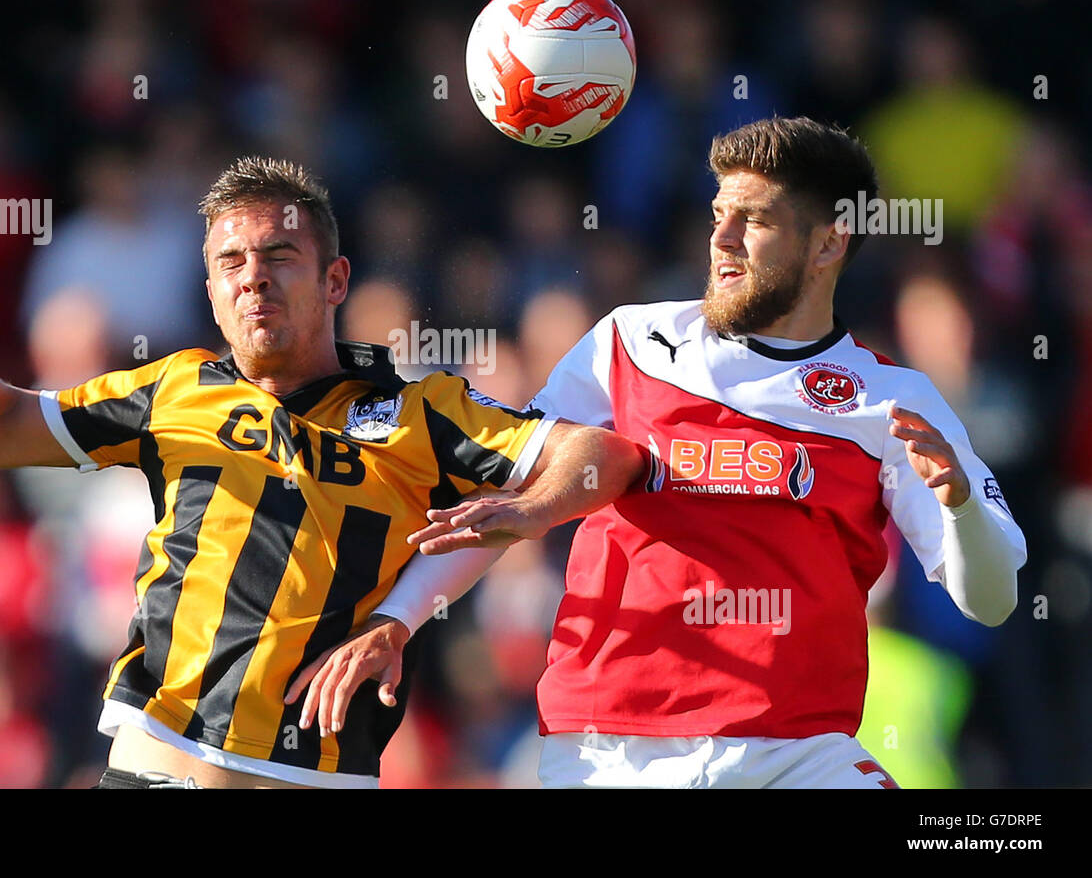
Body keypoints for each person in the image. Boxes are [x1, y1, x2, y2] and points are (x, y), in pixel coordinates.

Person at [0, 156, 646, 789]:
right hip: (152, 762)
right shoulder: (171, 387)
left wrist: (530, 509)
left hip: (311, 775)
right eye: (230, 261)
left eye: (280, 256)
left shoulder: (421, 410)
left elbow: (604, 454)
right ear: (210, 291)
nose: (253, 277)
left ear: (335, 280)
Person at [307, 117, 1027, 788]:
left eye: (757, 219)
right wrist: (397, 617)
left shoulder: (889, 397)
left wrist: (960, 503)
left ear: (829, 243)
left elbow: (989, 600)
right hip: (608, 750)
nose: (723, 238)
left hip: (798, 753)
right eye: (720, 214)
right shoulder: (629, 344)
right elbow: (503, 507)